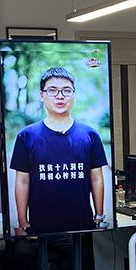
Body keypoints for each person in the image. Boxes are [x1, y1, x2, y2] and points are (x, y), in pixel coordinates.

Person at [10, 67, 109, 235]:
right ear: (42, 95)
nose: (60, 96)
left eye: (66, 90)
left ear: (74, 95)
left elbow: (96, 178)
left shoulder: (90, 135)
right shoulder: (26, 136)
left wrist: (99, 217)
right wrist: (22, 222)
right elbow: (22, 181)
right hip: (40, 226)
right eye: (52, 90)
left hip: (82, 225)